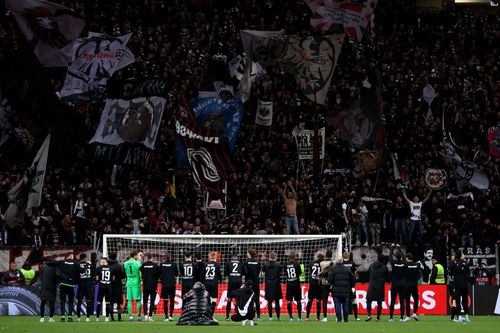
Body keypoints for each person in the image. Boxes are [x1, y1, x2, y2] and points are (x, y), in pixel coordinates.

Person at [46, 253, 82, 322]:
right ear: (71, 257)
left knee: (62, 301)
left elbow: (50, 263)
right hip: (71, 285)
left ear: (66, 257)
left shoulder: (61, 262)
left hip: (63, 284)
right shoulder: (75, 264)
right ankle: (70, 317)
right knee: (71, 301)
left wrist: (45, 262)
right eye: (72, 255)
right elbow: (82, 271)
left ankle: (62, 317)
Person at [328, 256, 355, 323]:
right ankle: (346, 319)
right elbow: (353, 279)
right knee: (345, 304)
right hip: (346, 290)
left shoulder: (333, 269)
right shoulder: (347, 269)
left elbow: (330, 280)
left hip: (336, 290)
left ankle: (339, 319)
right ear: (342, 261)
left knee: (337, 304)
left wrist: (333, 284)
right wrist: (350, 286)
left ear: (336, 261)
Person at [366, 255, 388, 322]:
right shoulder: (384, 267)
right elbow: (386, 276)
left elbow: (368, 272)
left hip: (372, 285)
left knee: (369, 300)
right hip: (380, 286)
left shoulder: (371, 265)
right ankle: (378, 318)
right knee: (379, 302)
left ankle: (369, 315)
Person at [224, 253, 247, 321]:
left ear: (232, 257)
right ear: (237, 257)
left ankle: (227, 317)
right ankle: (237, 314)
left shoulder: (228, 263)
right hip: (239, 282)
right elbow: (245, 272)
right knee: (238, 299)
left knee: (229, 299)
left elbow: (225, 273)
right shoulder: (241, 263)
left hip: (231, 282)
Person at [450, 250, 471, 322]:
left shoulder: (454, 263)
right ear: (461, 255)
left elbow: (450, 273)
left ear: (455, 255)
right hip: (465, 284)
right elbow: (468, 273)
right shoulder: (466, 263)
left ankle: (459, 317)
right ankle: (467, 317)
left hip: (457, 285)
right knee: (465, 301)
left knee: (457, 301)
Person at [388, 245, 407, 322]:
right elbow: (405, 257)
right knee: (402, 301)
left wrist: (392, 248)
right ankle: (401, 318)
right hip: (402, 284)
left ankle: (391, 318)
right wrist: (399, 248)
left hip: (395, 284)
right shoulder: (404, 262)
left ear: (396, 257)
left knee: (392, 301)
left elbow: (390, 257)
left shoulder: (394, 262)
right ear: (401, 257)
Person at [123, 250, 143, 321]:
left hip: (128, 283)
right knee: (138, 300)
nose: (138, 256)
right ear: (134, 256)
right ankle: (139, 316)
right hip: (136, 283)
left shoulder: (125, 263)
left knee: (129, 300)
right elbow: (140, 274)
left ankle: (130, 317)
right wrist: (141, 281)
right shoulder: (138, 263)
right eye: (137, 255)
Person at [159, 252, 179, 321]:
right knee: (172, 300)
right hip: (172, 285)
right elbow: (177, 274)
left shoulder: (161, 264)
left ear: (165, 258)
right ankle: (171, 315)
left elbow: (159, 274)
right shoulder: (174, 264)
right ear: (170, 258)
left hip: (164, 285)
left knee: (165, 301)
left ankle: (166, 317)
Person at [140, 253, 159, 321]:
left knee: (145, 301)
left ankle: (145, 315)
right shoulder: (155, 265)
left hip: (145, 285)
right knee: (152, 301)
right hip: (153, 286)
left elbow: (141, 272)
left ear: (146, 257)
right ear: (151, 257)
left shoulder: (143, 265)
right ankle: (150, 316)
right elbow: (158, 275)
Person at [263, 251, 282, 321]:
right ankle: (278, 317)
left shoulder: (266, 265)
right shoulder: (279, 265)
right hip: (276, 284)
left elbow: (264, 271)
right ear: (275, 257)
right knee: (277, 302)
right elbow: (280, 272)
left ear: (269, 257)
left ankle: (270, 317)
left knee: (270, 302)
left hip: (268, 284)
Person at [305, 251, 324, 321]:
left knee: (310, 300)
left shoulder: (311, 263)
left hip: (312, 283)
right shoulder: (323, 264)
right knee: (318, 300)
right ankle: (318, 317)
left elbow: (310, 271)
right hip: (319, 283)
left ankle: (307, 316)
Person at [76, 253, 95, 322]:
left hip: (81, 285)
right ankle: (87, 317)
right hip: (89, 286)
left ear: (80, 258)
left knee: (79, 301)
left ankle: (78, 317)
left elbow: (76, 276)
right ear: (86, 258)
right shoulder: (90, 265)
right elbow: (93, 275)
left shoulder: (77, 265)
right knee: (89, 302)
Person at [203, 251, 222, 318]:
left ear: (209, 257)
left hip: (206, 283)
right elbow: (220, 276)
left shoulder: (205, 264)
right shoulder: (217, 265)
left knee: (206, 300)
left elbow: (202, 275)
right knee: (214, 300)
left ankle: (205, 315)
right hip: (214, 283)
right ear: (216, 257)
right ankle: (211, 316)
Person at [285, 252, 302, 321]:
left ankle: (290, 317)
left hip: (289, 284)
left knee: (289, 301)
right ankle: (299, 317)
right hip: (296, 284)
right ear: (295, 257)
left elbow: (286, 273)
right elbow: (300, 273)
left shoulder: (286, 264)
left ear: (289, 257)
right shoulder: (297, 264)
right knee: (298, 301)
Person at [341, 251, 359, 321]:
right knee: (354, 300)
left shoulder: (341, 264)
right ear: (349, 256)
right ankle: (356, 317)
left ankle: (343, 317)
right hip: (351, 285)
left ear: (343, 256)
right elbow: (355, 273)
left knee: (343, 301)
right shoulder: (352, 263)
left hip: (343, 285)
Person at [245, 249, 262, 321]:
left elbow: (245, 272)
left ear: (250, 254)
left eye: (247, 253)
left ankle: (248, 315)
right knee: (257, 299)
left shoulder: (246, 262)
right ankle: (258, 316)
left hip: (249, 283)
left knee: (248, 300)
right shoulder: (258, 262)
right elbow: (258, 272)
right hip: (256, 282)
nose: (246, 254)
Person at [96, 257, 114, 322]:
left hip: (101, 286)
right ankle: (106, 317)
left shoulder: (98, 268)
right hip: (108, 286)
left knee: (99, 302)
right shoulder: (112, 268)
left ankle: (97, 318)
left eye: (101, 261)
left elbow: (97, 279)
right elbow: (113, 279)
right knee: (108, 303)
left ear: (104, 262)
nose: (100, 263)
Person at [108, 252, 124, 321]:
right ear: (116, 257)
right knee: (119, 302)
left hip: (110, 286)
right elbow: (123, 275)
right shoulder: (119, 266)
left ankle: (111, 317)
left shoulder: (108, 266)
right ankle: (119, 317)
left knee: (111, 302)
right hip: (118, 286)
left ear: (110, 257)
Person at [319, 249, 334, 321]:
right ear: (331, 255)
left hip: (324, 282)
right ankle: (338, 317)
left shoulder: (321, 263)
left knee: (324, 301)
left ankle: (325, 317)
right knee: (335, 300)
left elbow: (320, 273)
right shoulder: (334, 262)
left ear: (326, 255)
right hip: (332, 283)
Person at [405, 252, 421, 321]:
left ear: (407, 258)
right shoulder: (417, 265)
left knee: (407, 301)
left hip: (407, 285)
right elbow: (419, 274)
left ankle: (408, 316)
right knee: (416, 300)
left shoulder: (405, 265)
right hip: (414, 285)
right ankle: (414, 313)